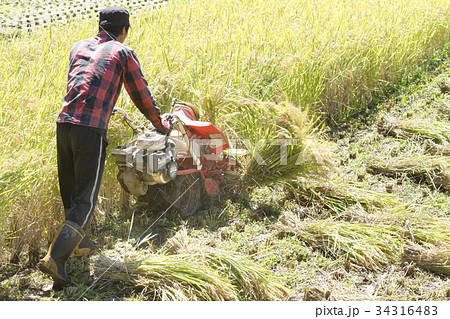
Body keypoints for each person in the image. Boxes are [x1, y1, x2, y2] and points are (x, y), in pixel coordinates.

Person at [38, 6, 168, 288]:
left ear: (101, 25)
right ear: (123, 30)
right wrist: (160, 124)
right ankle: (55, 259)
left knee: (72, 193)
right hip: (90, 130)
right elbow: (141, 94)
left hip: (64, 125)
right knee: (85, 199)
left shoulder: (78, 47)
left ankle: (80, 246)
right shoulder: (123, 52)